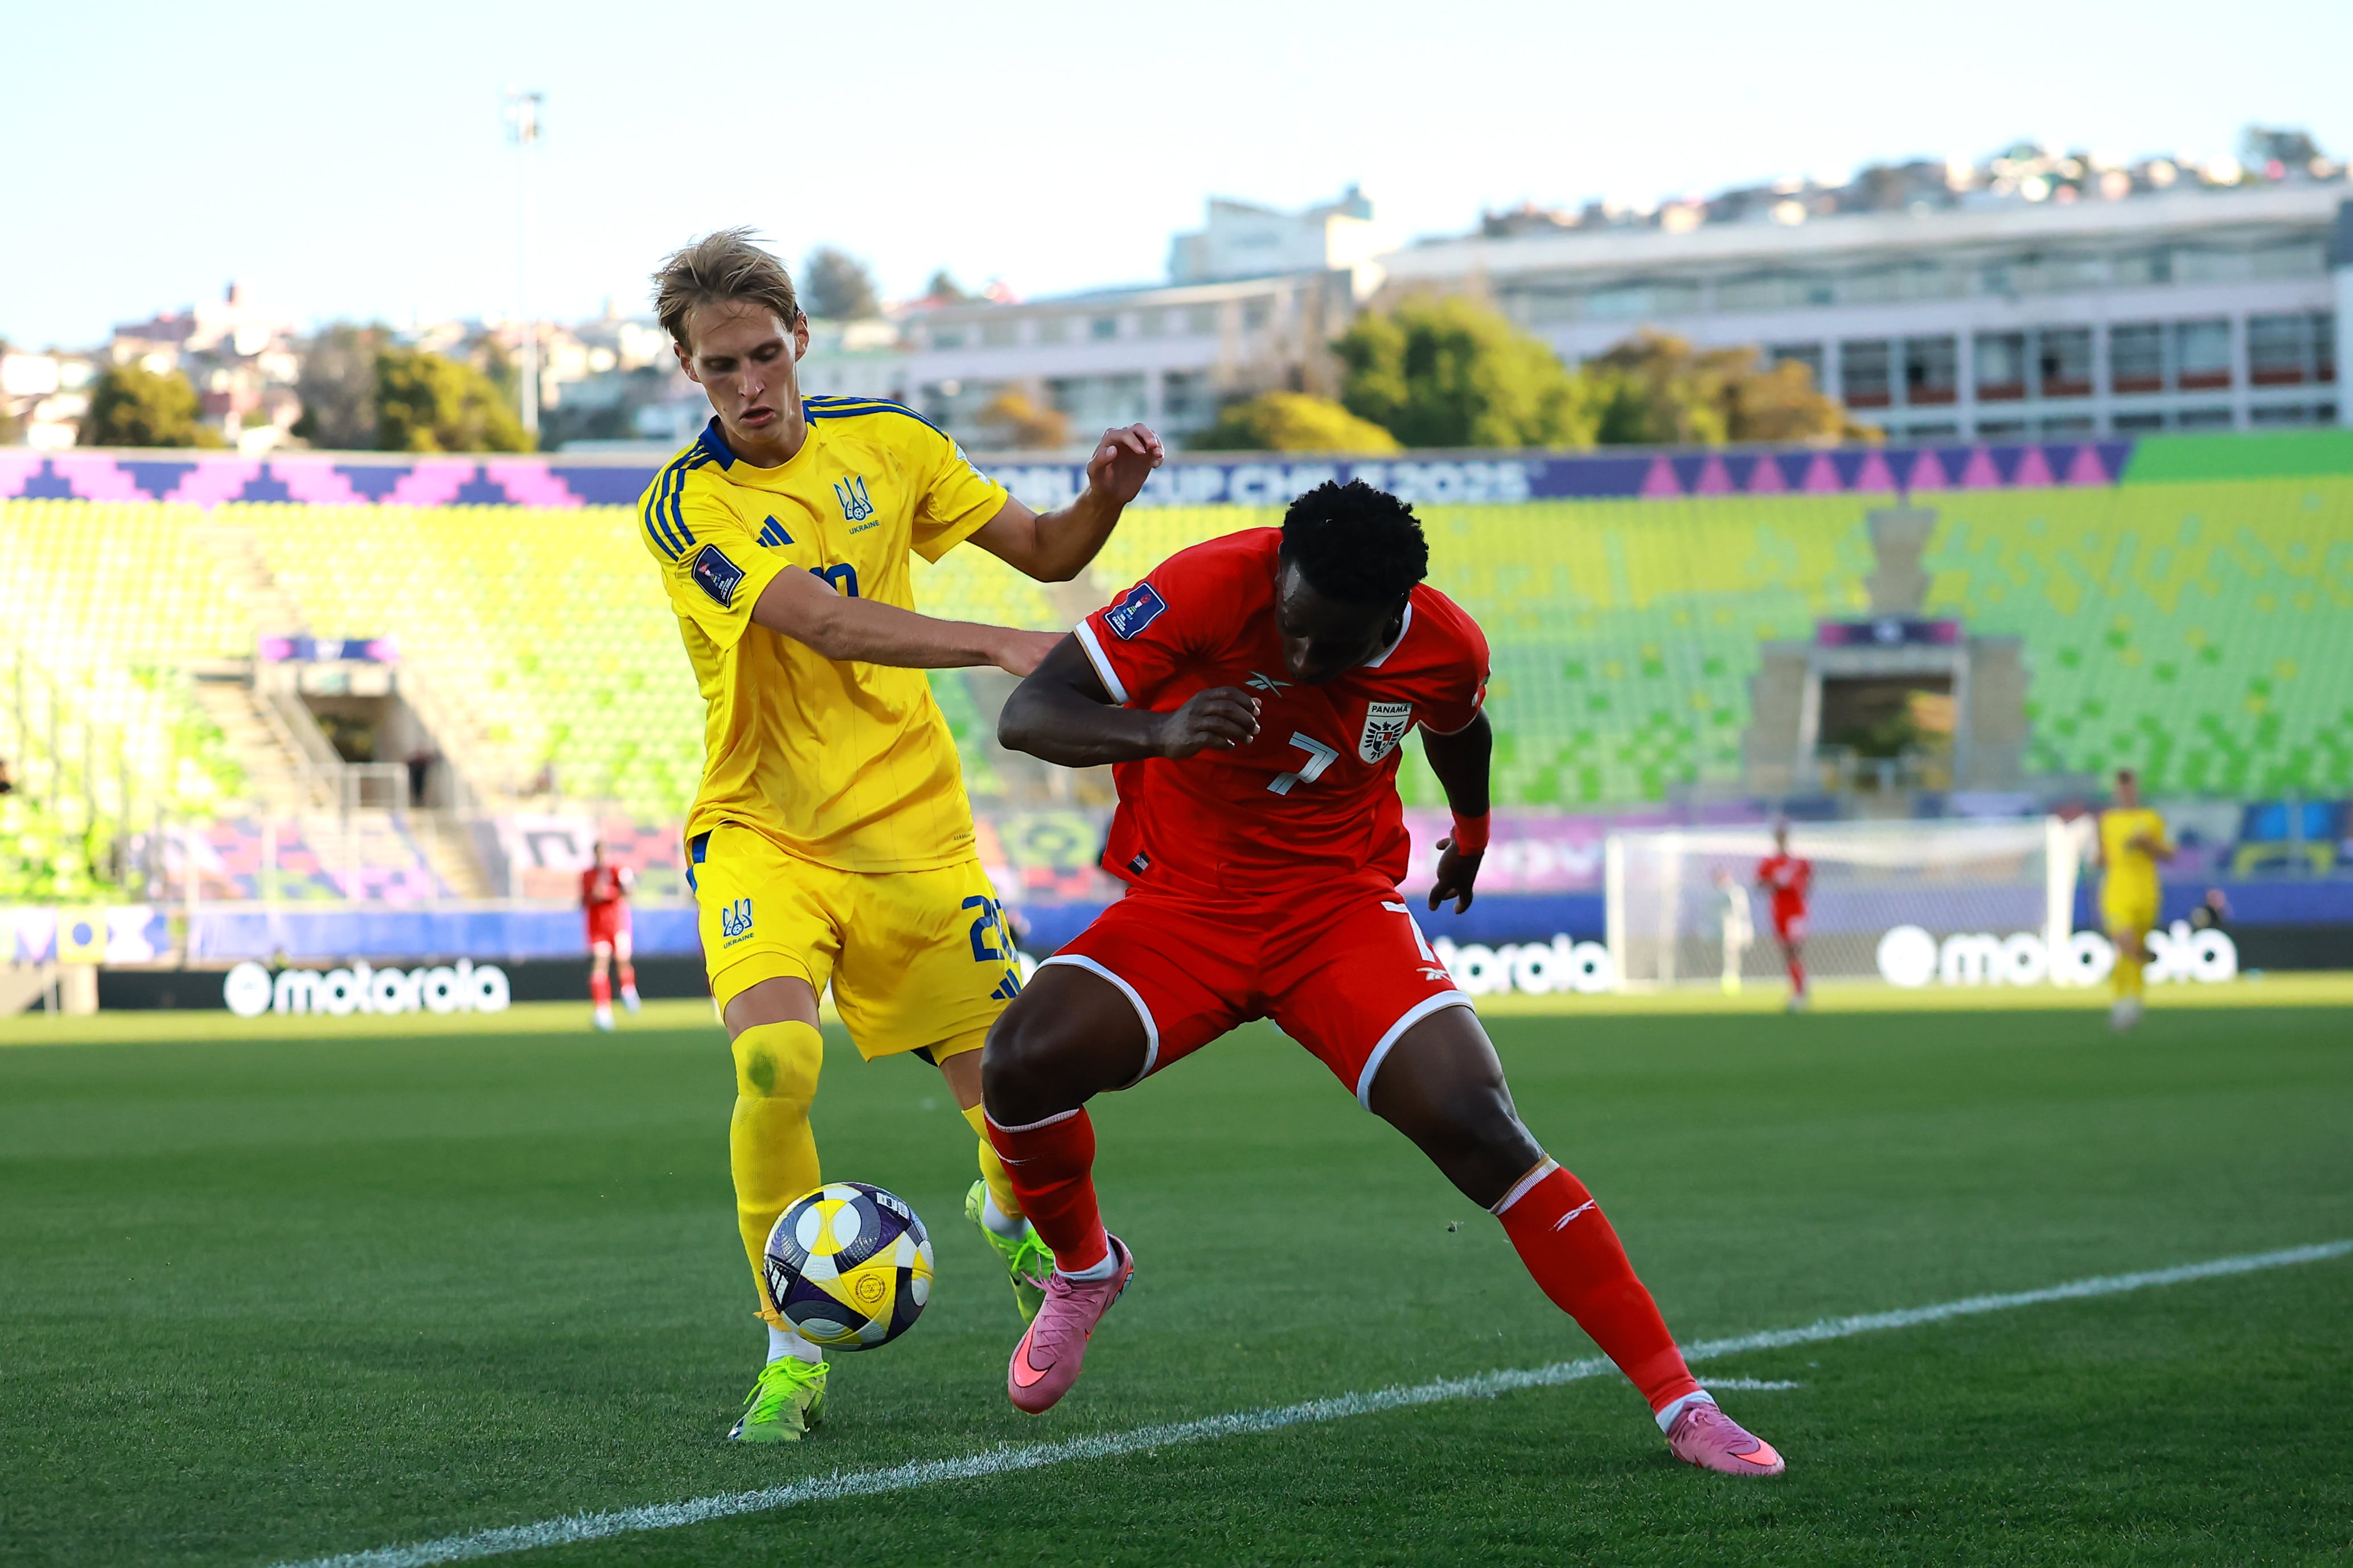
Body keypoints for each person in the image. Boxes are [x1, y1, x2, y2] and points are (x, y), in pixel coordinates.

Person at [977, 480, 1783, 1478]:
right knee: (1016, 1064)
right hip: (1189, 905)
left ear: (1396, 615)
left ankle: (1683, 1404)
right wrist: (1159, 732)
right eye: (1294, 630)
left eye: (1339, 646)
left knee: (1480, 1124)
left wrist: (1471, 835)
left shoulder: (1447, 646)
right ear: (1277, 572)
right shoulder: (1205, 584)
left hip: (1334, 910)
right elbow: (1030, 712)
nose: (1307, 659)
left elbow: (1458, 728)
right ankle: (1085, 1269)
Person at [639, 228, 1164, 1443]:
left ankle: (1001, 1202)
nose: (750, 385)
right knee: (776, 1067)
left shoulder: (891, 439)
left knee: (1012, 1106)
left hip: (913, 836)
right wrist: (992, 643)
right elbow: (818, 620)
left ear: (800, 341)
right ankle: (789, 1357)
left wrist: (1101, 498)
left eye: (765, 354)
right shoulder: (686, 508)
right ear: (689, 371)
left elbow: (1043, 553)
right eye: (721, 368)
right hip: (763, 832)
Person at [2096, 768, 2173, 1030]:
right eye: (2122, 788)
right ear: (2117, 790)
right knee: (2126, 941)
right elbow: (2102, 857)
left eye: (2130, 787)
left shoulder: (2151, 819)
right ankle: (2123, 1001)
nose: (2126, 793)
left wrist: (2147, 845)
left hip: (2146, 893)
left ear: (2136, 789)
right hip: (2116, 892)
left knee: (2130, 952)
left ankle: (2131, 1001)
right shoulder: (2108, 821)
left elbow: (2169, 854)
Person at [581, 841, 639, 1030]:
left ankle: (627, 989)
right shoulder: (588, 875)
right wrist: (595, 896)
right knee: (601, 961)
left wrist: (609, 892)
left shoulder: (617, 870)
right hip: (598, 927)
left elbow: (629, 890)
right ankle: (602, 1010)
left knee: (623, 958)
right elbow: (583, 899)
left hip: (618, 923)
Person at [1756, 825, 1812, 1010]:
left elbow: (1809, 882)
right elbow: (1759, 884)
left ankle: (1799, 991)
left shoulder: (1799, 861)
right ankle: (1799, 985)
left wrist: (1795, 885)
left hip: (1796, 911)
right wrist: (1775, 882)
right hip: (1779, 911)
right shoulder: (1770, 862)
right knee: (1787, 953)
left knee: (1794, 950)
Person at [1714, 867, 1752, 994]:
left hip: (1736, 928)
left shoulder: (1736, 892)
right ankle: (1730, 977)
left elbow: (1744, 913)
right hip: (1728, 929)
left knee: (1734, 953)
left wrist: (1747, 929)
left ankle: (1734, 977)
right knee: (1729, 954)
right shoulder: (1720, 893)